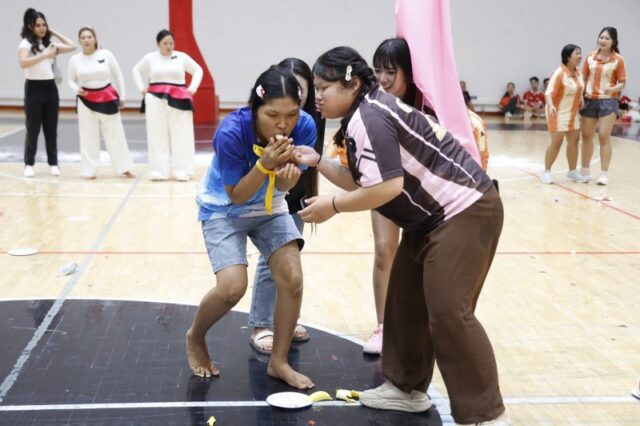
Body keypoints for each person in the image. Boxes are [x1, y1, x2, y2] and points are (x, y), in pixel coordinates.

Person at [294, 46, 507, 424]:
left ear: (352, 84)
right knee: (404, 302)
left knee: (449, 312)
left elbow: (388, 187)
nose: (318, 96)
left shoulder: (370, 117)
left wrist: (334, 206)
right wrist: (319, 161)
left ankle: (487, 414)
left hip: (466, 212)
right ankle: (406, 389)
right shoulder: (365, 113)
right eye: (317, 88)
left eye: (325, 87)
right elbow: (365, 180)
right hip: (429, 221)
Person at [187, 65, 316, 390]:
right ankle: (196, 337)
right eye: (273, 115)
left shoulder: (305, 127)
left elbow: (287, 182)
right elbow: (237, 195)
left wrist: (289, 179)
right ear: (254, 108)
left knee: (292, 278)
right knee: (232, 287)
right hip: (223, 209)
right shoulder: (231, 132)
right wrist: (265, 164)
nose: (283, 124)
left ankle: (279, 362)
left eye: (291, 114)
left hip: (270, 208)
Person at [248, 57, 325, 355]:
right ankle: (261, 324)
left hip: (293, 192)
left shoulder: (310, 120)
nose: (296, 95)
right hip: (264, 193)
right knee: (271, 259)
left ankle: (286, 320)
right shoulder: (263, 120)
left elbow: (306, 163)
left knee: (290, 261)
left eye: (301, 90)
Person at [133, 29, 203, 181]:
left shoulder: (181, 57)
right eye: (165, 43)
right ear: (158, 44)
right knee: (156, 135)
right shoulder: (150, 58)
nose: (168, 46)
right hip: (155, 99)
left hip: (180, 99)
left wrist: (192, 88)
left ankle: (183, 171)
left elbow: (198, 70)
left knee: (182, 136)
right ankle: (159, 172)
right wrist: (141, 89)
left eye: (171, 43)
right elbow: (136, 70)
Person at [67, 27, 134, 179]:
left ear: (95, 38)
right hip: (85, 100)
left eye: (89, 37)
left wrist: (123, 96)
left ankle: (124, 168)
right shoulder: (74, 60)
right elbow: (70, 80)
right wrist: (77, 89)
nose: (86, 40)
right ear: (79, 41)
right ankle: (88, 171)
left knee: (116, 135)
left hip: (107, 98)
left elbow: (118, 75)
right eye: (83, 37)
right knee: (88, 136)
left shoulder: (106, 54)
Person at [18, 8, 75, 178]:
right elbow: (23, 62)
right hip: (33, 88)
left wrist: (54, 33)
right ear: (31, 27)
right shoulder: (26, 44)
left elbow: (72, 46)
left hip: (50, 88)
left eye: (44, 25)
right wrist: (45, 55)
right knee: (33, 129)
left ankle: (54, 163)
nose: (42, 28)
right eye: (38, 25)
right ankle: (29, 163)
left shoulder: (51, 44)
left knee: (51, 129)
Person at [580, 27, 626, 185]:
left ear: (613, 41)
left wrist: (611, 89)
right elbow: (583, 78)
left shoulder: (618, 59)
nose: (603, 40)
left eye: (607, 38)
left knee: (604, 136)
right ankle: (584, 171)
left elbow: (622, 83)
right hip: (589, 100)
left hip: (608, 100)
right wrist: (581, 95)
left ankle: (604, 174)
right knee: (586, 136)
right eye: (601, 37)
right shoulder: (590, 57)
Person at [541, 45, 588, 185]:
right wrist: (551, 106)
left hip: (572, 113)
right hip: (557, 113)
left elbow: (579, 89)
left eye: (580, 53)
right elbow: (548, 93)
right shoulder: (559, 73)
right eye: (576, 54)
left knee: (574, 141)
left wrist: (581, 100)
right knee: (556, 142)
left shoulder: (578, 73)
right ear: (568, 57)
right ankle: (546, 172)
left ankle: (572, 171)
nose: (580, 56)